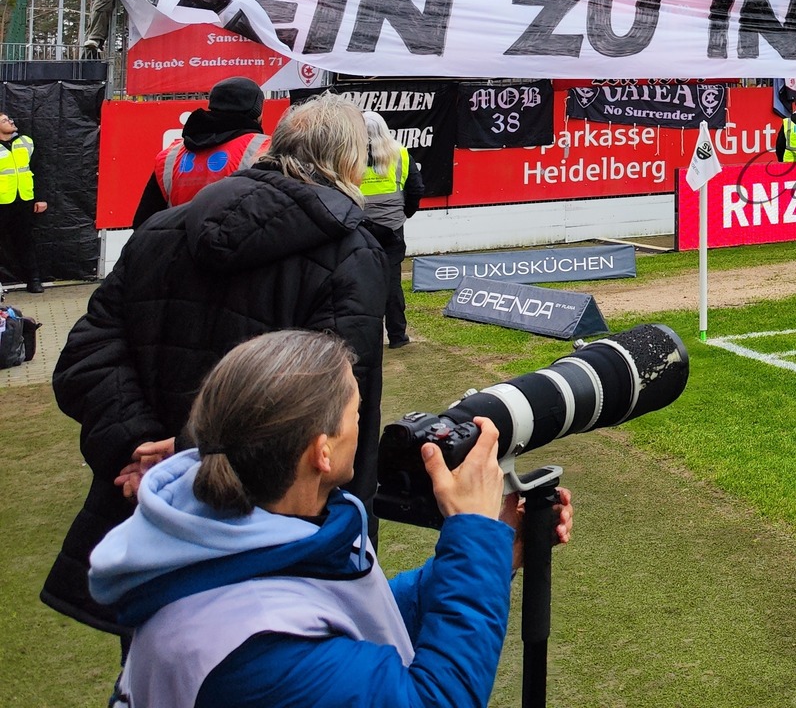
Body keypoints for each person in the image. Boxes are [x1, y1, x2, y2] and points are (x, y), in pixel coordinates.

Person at [44, 95, 387, 636]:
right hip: (276, 534)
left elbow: (89, 352)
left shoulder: (160, 229)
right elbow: (329, 404)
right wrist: (160, 450)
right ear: (350, 165)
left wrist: (156, 456)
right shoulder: (352, 253)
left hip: (156, 516)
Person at [87, 329, 572, 708]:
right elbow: (433, 699)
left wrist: (493, 552)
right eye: (356, 411)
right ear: (321, 452)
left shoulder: (222, 532)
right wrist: (473, 529)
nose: (364, 423)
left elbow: (354, 620)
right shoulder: (256, 650)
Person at [132, 78, 270, 228]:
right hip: (238, 246)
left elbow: (144, 223)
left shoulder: (170, 157)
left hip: (180, 247)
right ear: (258, 111)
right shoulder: (265, 149)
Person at [358, 111, 425, 350]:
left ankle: (367, 339)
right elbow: (416, 190)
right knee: (392, 284)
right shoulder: (402, 153)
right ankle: (397, 336)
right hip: (393, 227)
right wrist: (403, 214)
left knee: (360, 283)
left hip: (359, 227)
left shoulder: (349, 155)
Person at [0, 111, 45, 292]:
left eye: (9, 118)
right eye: (5, 120)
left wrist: (41, 197)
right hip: (2, 202)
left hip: (24, 201)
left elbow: (39, 171)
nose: (10, 121)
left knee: (25, 241)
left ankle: (33, 280)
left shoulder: (26, 142)